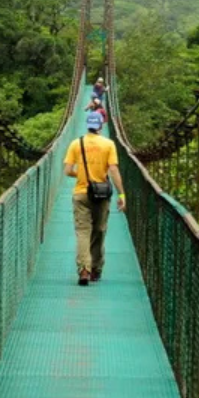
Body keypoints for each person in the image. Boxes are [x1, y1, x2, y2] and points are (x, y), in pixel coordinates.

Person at [63, 110, 126, 285]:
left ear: (87, 125)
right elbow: (113, 170)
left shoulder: (76, 144)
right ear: (101, 125)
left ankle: (84, 269)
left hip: (81, 193)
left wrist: (83, 175)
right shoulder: (109, 144)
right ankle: (96, 269)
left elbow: (67, 171)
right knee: (99, 230)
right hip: (101, 194)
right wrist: (121, 194)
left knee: (83, 232)